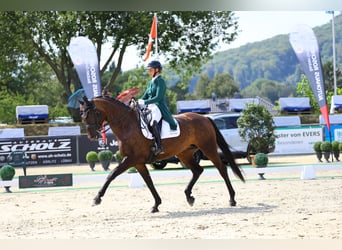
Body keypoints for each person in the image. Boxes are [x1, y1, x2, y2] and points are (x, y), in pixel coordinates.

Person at [138, 60, 177, 155]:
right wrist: (138, 102)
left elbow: (158, 97)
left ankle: (159, 146)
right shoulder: (151, 82)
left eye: (150, 70)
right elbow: (145, 96)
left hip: (158, 106)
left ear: (157, 70)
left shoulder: (161, 81)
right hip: (150, 106)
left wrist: (145, 102)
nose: (149, 71)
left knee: (153, 121)